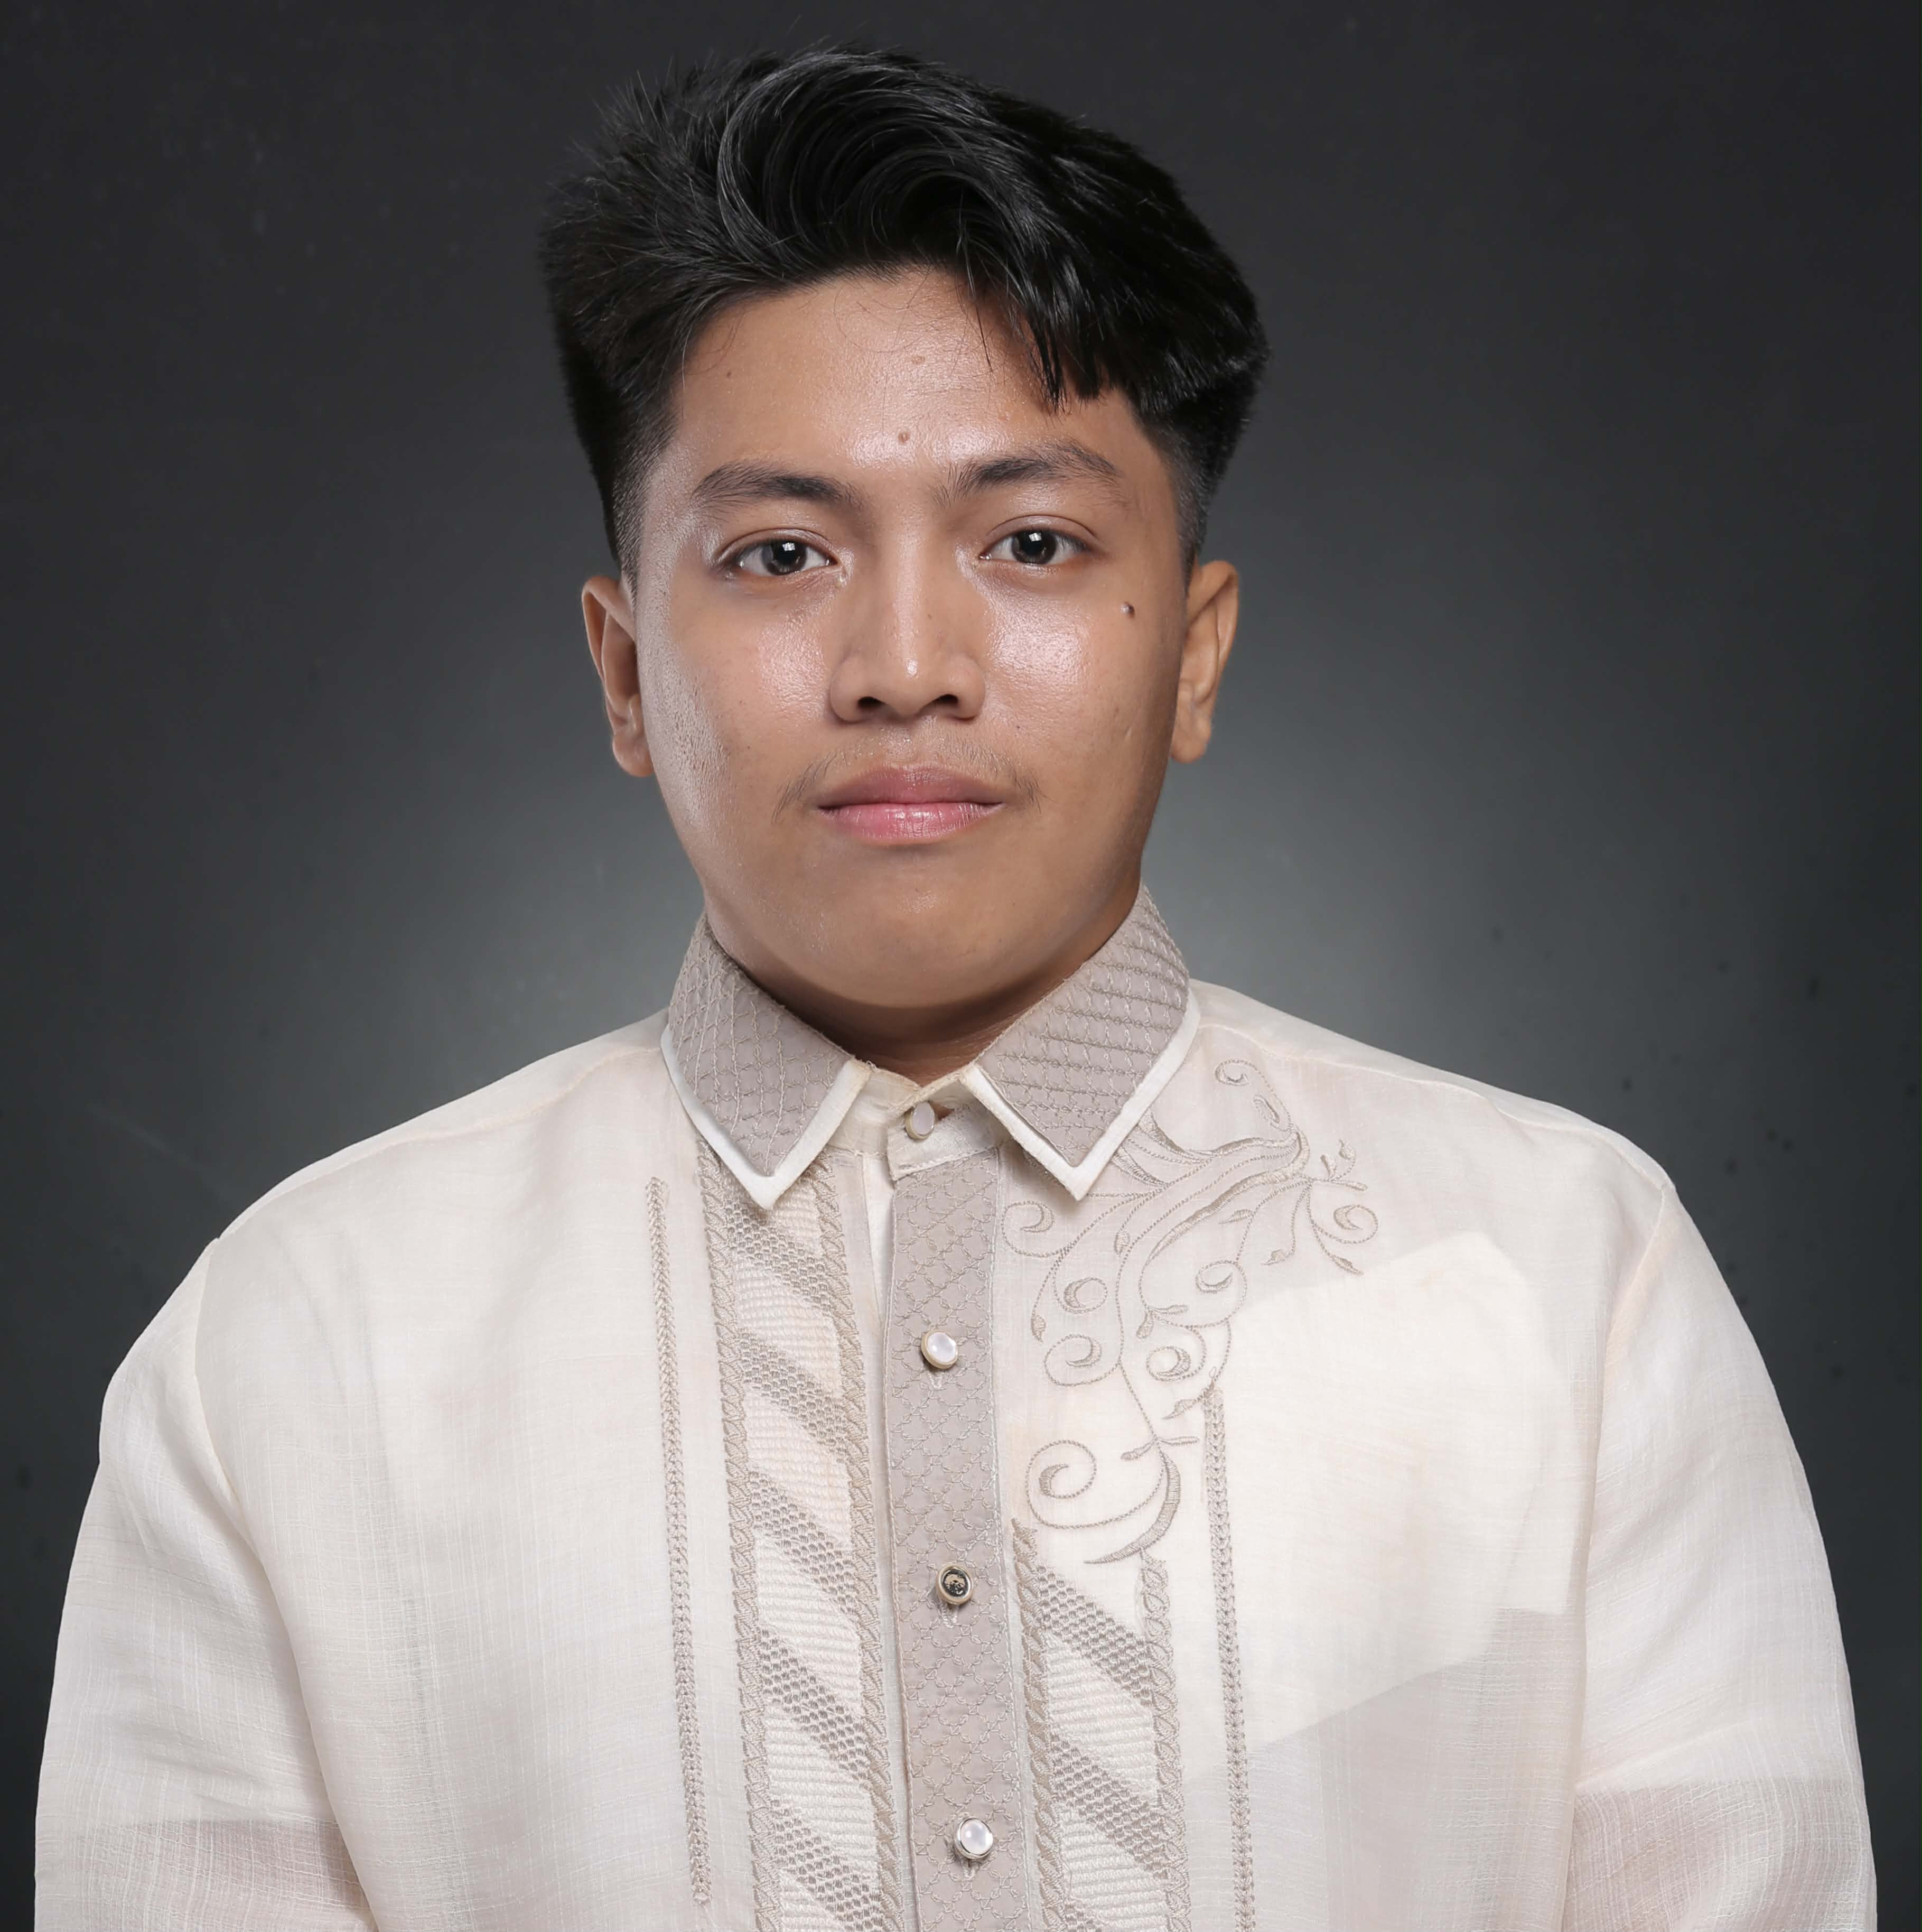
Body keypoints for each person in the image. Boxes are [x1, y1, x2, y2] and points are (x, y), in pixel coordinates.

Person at [36, 45, 1873, 1932]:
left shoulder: (1568, 1284)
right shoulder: (302, 1348)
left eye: (1034, 543)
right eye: (777, 553)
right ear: (618, 666)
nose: (904, 662)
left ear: (1197, 655)